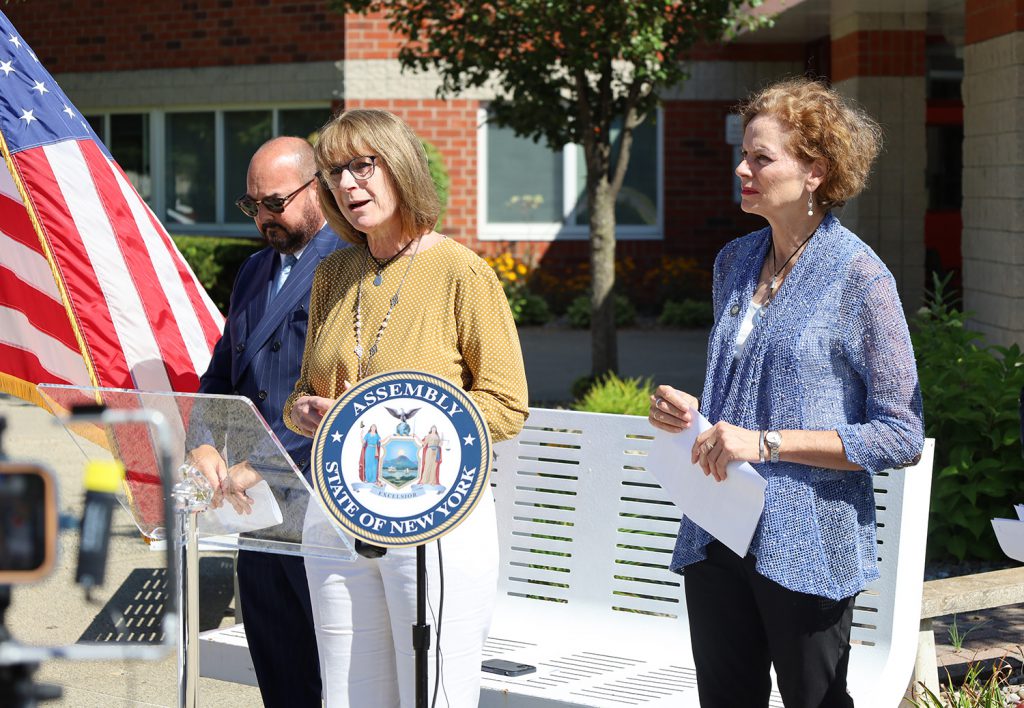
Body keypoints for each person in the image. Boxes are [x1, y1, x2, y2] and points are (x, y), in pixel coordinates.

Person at [647, 77, 924, 708]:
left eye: (762, 157)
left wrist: (766, 443)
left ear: (815, 172)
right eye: (743, 154)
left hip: (808, 537)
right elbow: (744, 393)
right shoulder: (734, 262)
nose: (742, 168)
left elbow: (900, 433)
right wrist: (693, 415)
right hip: (717, 525)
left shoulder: (861, 278)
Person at [283, 108, 528, 707]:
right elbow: (300, 396)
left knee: (432, 695)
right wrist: (308, 413)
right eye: (334, 171)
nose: (347, 184)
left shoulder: (461, 272)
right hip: (336, 510)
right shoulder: (332, 273)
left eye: (362, 165)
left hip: (432, 516)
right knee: (345, 696)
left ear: (401, 167)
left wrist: (410, 421)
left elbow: (506, 403)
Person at [189, 136, 344, 708]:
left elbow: (342, 397)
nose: (262, 218)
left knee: (328, 673)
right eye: (252, 204)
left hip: (317, 500)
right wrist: (203, 442)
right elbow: (221, 374)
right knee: (276, 666)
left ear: (316, 189)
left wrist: (264, 462)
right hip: (256, 511)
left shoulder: (350, 267)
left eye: (275, 202)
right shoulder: (255, 269)